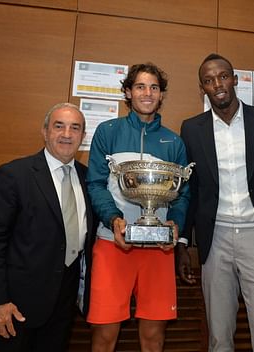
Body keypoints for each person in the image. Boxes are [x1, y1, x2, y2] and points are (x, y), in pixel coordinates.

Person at [177, 53, 254, 351]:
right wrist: (184, 242)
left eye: (223, 76)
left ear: (235, 79)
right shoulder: (191, 129)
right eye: (208, 80)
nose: (217, 84)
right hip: (214, 239)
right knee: (218, 335)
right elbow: (192, 190)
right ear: (202, 88)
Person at [86, 63, 189, 352]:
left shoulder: (174, 142)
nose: (147, 93)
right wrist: (113, 220)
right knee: (104, 336)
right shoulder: (108, 132)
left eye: (154, 87)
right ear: (129, 93)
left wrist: (175, 224)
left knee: (154, 338)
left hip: (159, 249)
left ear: (161, 95)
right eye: (141, 86)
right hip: (113, 243)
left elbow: (182, 194)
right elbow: (94, 183)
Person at [0, 102, 95, 352]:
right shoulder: (15, 174)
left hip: (64, 306)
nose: (67, 134)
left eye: (75, 128)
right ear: (45, 131)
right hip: (16, 308)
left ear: (83, 137)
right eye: (59, 126)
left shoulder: (89, 179)